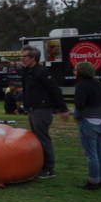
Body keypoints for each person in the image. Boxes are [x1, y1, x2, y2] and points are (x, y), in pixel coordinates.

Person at [20, 44, 69, 178]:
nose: (22, 59)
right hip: (32, 109)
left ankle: (49, 168)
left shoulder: (41, 72)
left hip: (42, 109)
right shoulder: (27, 71)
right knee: (36, 138)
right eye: (21, 56)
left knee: (42, 138)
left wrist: (63, 109)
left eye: (25, 56)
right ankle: (40, 165)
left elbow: (55, 90)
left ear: (33, 58)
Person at [71, 61, 101, 190]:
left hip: (88, 121)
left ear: (80, 72)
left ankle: (93, 181)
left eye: (75, 70)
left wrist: (76, 116)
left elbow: (80, 105)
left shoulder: (81, 86)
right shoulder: (98, 84)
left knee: (91, 154)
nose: (74, 72)